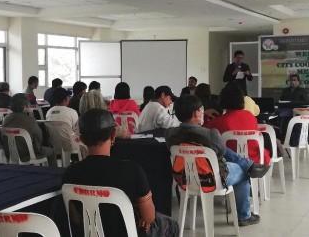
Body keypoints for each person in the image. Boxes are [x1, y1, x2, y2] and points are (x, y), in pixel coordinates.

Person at [62, 108, 179, 237]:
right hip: (128, 233)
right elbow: (149, 217)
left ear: (82, 140)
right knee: (170, 224)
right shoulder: (132, 170)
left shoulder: (70, 173)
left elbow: (76, 219)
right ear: (113, 135)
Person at [165, 95, 270, 226]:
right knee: (243, 171)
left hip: (185, 178)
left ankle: (248, 165)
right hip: (210, 179)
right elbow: (222, 152)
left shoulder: (169, 134)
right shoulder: (210, 134)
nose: (203, 112)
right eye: (201, 109)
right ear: (196, 113)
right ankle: (244, 216)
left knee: (235, 162)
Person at [205, 83, 270, 165]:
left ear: (222, 99)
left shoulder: (219, 122)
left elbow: (201, 131)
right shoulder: (251, 116)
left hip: (231, 163)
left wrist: (204, 114)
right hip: (256, 160)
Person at [2, 93, 57, 167]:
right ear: (25, 107)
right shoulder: (30, 120)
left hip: (11, 153)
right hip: (29, 154)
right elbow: (39, 138)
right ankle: (53, 174)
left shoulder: (6, 119)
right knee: (51, 151)